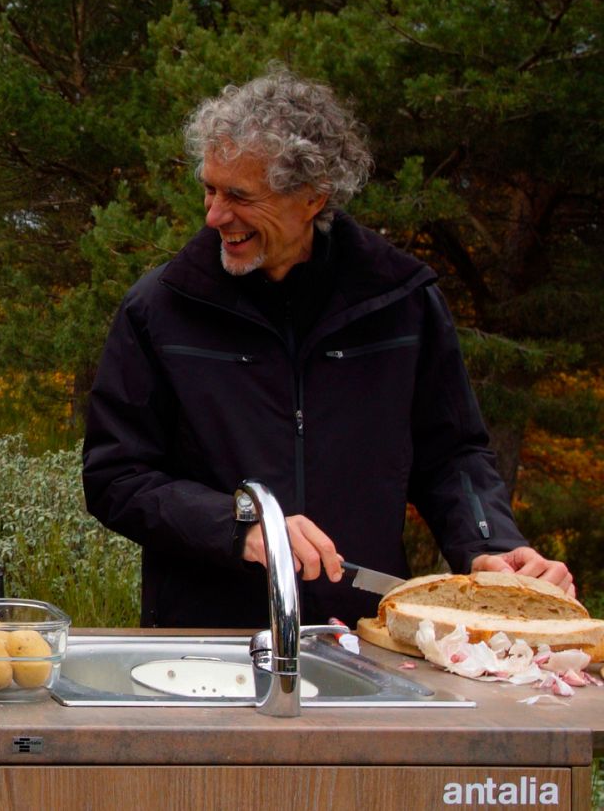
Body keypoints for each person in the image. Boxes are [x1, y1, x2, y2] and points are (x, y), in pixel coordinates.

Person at [82, 69, 572, 629]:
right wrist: (242, 525)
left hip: (366, 637)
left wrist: (489, 544)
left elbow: (452, 454)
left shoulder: (402, 301)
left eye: (239, 196)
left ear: (312, 198)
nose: (214, 215)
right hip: (203, 638)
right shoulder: (160, 308)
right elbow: (115, 476)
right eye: (210, 189)